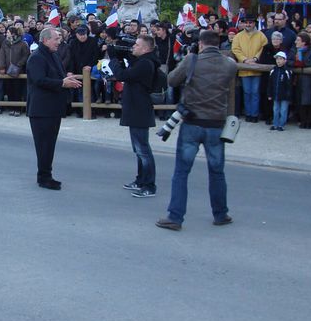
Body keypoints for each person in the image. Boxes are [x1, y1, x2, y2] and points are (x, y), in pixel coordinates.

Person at [156, 30, 237, 231]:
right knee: (217, 171)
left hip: (192, 121)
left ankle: (175, 217)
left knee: (182, 172)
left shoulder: (192, 60)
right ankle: (220, 214)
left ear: (200, 44)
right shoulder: (230, 65)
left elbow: (172, 80)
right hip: (216, 123)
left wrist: (187, 62)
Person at [26, 27, 82, 190]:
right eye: (56, 39)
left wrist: (65, 79)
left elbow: (55, 76)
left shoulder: (53, 54)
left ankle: (46, 174)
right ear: (45, 40)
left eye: (59, 38)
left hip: (53, 108)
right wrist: (62, 83)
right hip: (41, 110)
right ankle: (44, 177)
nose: (59, 41)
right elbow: (39, 80)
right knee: (43, 145)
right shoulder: (36, 57)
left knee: (50, 144)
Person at [108, 35, 159, 198]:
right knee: (138, 149)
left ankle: (149, 185)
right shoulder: (142, 61)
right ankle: (140, 179)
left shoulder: (146, 63)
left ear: (145, 49)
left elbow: (123, 75)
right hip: (136, 108)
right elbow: (131, 63)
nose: (133, 47)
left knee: (143, 149)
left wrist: (113, 59)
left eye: (136, 45)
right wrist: (121, 53)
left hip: (140, 109)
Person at [231, 16, 267, 122]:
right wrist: (244, 60)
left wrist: (256, 58)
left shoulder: (261, 35)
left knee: (255, 93)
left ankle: (254, 114)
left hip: (257, 68)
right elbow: (235, 49)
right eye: (246, 23)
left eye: (250, 22)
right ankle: (248, 114)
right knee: (247, 92)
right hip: (244, 68)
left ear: (254, 23)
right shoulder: (238, 36)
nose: (248, 25)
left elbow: (263, 47)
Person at [267, 51, 292, 131]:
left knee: (283, 110)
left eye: (281, 59)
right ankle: (275, 124)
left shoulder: (287, 71)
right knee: (275, 109)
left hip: (284, 95)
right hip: (275, 94)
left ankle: (281, 125)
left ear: (285, 60)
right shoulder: (273, 70)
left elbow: (289, 84)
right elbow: (270, 83)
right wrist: (269, 94)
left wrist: (289, 95)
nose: (278, 61)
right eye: (277, 59)